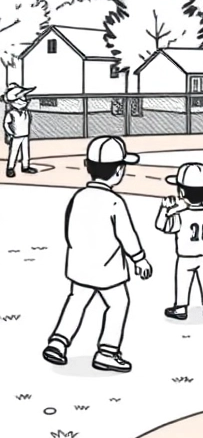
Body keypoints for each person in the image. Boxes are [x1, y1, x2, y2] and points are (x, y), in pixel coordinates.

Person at [42, 136, 152, 373]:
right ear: (119, 171)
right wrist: (139, 258)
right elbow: (127, 235)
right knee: (118, 303)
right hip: (108, 269)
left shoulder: (79, 197)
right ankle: (107, 352)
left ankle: (58, 342)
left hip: (80, 264)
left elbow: (68, 229)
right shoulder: (114, 201)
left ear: (88, 166)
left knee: (76, 300)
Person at [155, 162, 203, 320]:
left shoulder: (181, 215)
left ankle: (181, 308)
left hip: (186, 257)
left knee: (183, 282)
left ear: (181, 192)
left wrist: (164, 209)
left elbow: (161, 226)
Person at [4, 84, 37, 178]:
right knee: (14, 152)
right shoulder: (11, 113)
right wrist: (10, 133)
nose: (24, 100)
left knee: (25, 151)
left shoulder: (26, 112)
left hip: (25, 135)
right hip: (16, 136)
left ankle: (25, 166)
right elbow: (6, 124)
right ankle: (10, 168)